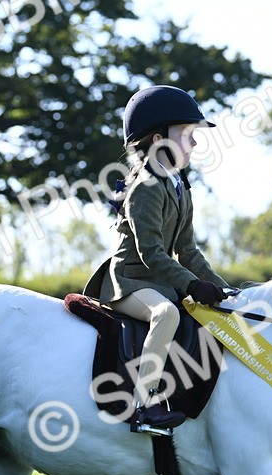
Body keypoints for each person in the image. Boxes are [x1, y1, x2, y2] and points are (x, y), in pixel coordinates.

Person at [84, 84, 230, 435]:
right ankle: (143, 405)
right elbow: (151, 253)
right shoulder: (146, 187)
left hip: (160, 281)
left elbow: (188, 250)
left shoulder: (180, 186)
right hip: (130, 282)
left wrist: (226, 291)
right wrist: (192, 285)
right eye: (187, 134)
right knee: (165, 315)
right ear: (159, 138)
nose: (194, 143)